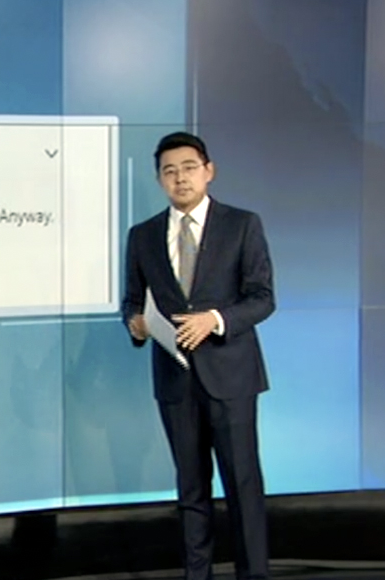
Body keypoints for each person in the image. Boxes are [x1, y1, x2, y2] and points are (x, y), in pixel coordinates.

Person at [122, 132, 274, 580]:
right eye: (169, 171)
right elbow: (133, 300)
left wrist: (216, 319)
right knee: (190, 490)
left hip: (231, 376)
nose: (180, 178)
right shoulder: (143, 235)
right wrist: (135, 323)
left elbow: (262, 298)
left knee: (243, 485)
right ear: (159, 180)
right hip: (175, 380)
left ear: (209, 171)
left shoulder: (242, 225)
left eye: (188, 167)